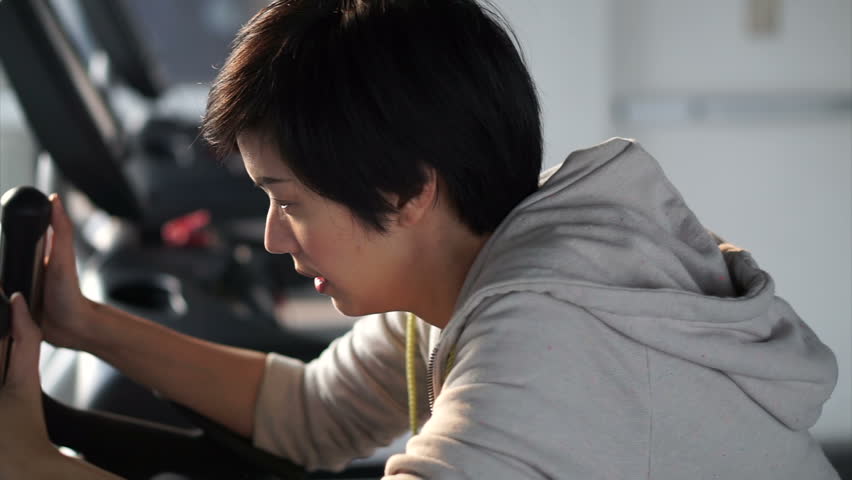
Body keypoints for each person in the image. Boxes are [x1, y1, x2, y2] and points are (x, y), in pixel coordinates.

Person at [0, 0, 841, 478]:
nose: (269, 239)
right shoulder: (485, 267)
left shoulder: (547, 336)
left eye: (286, 201)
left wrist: (37, 469)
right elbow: (310, 416)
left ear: (407, 192)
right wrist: (83, 324)